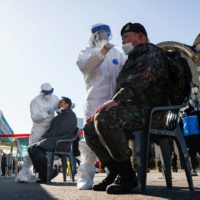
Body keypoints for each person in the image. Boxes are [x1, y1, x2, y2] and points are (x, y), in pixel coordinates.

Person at [84, 22, 171, 194]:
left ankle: (127, 175)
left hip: (153, 113)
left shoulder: (151, 53)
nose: (122, 41)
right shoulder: (133, 58)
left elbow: (140, 79)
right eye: (122, 38)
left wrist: (116, 100)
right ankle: (115, 171)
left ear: (140, 37)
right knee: (90, 128)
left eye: (126, 37)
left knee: (105, 119)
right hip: (136, 112)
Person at [76, 23, 126, 189]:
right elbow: (85, 66)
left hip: (113, 102)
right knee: (89, 140)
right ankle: (85, 177)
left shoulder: (117, 53)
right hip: (95, 100)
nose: (104, 37)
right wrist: (101, 52)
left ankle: (116, 173)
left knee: (114, 138)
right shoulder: (87, 52)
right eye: (100, 34)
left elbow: (126, 70)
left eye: (107, 34)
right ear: (93, 37)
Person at [15, 83, 59, 182]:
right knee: (32, 149)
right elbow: (34, 118)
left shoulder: (55, 98)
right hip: (38, 128)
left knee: (44, 151)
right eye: (46, 93)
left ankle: (44, 173)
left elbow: (60, 107)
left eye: (50, 93)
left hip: (50, 128)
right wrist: (46, 112)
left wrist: (67, 107)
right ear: (41, 92)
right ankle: (24, 173)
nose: (48, 95)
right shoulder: (35, 101)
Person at [28, 97, 77, 183]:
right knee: (30, 148)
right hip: (54, 140)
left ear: (67, 104)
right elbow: (50, 130)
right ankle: (44, 173)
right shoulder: (58, 117)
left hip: (62, 142)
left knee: (36, 149)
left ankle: (49, 172)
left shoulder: (70, 114)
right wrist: (43, 136)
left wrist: (46, 136)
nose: (59, 103)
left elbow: (62, 129)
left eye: (61, 102)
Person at [179, 103, 200, 176]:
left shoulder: (196, 113)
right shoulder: (182, 115)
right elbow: (180, 126)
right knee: (191, 154)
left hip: (197, 135)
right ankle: (193, 170)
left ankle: (193, 169)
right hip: (187, 136)